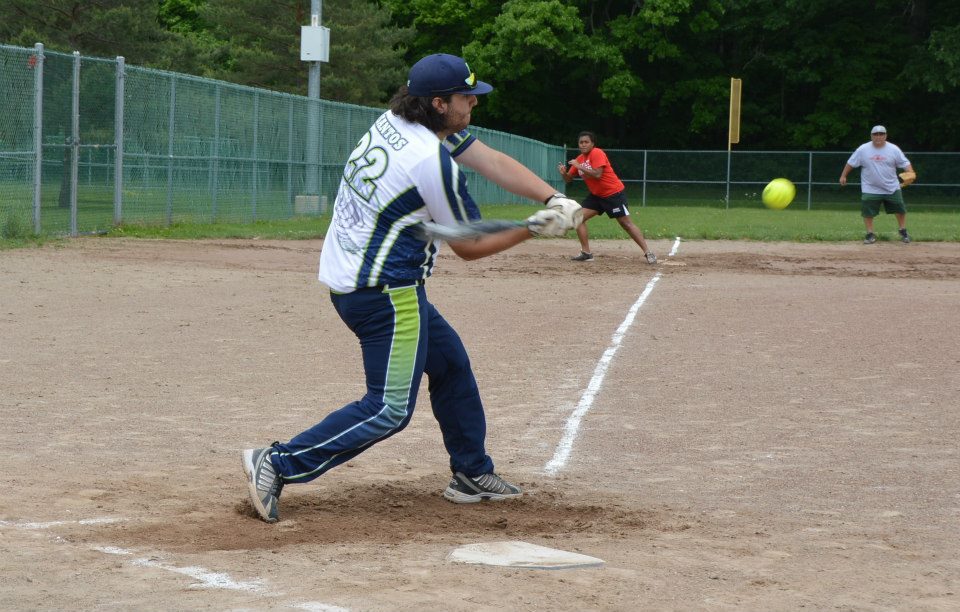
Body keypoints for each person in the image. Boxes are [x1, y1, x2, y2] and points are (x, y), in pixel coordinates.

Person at [242, 53, 582, 523]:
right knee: (388, 409)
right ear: (439, 103)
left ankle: (471, 472)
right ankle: (278, 463)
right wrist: (536, 227)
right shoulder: (429, 160)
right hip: (383, 290)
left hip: (360, 278)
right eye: (467, 98)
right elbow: (471, 244)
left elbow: (490, 160)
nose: (473, 105)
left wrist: (553, 196)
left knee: (449, 365)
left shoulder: (398, 121)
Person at [557, 131, 656, 264]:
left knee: (625, 224)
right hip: (596, 196)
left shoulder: (597, 153)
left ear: (592, 144)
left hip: (613, 194)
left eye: (586, 142)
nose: (583, 144)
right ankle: (586, 253)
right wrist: (564, 173)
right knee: (577, 218)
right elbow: (568, 179)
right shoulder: (579, 159)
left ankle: (648, 252)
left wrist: (578, 166)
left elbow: (598, 174)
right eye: (581, 142)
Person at [839, 125, 915, 244]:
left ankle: (903, 231)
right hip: (870, 188)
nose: (878, 136)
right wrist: (843, 175)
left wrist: (910, 172)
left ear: (885, 135)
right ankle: (870, 234)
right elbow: (851, 163)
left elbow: (905, 162)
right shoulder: (863, 149)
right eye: (876, 134)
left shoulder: (893, 149)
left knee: (900, 208)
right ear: (871, 136)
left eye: (881, 134)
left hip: (892, 187)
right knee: (868, 211)